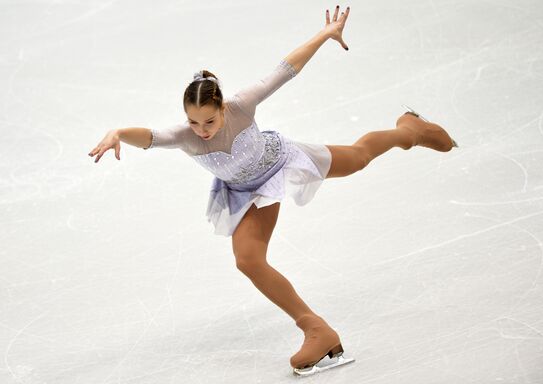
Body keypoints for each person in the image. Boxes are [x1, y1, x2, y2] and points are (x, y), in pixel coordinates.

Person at [88, 5, 457, 375]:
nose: (201, 129)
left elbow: (285, 70)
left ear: (221, 106)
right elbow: (151, 137)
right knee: (248, 260)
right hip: (245, 193)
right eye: (193, 121)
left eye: (209, 120)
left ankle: (409, 131)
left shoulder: (241, 106)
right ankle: (316, 329)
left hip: (284, 161)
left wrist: (324, 34)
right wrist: (119, 133)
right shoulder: (185, 136)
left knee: (359, 159)